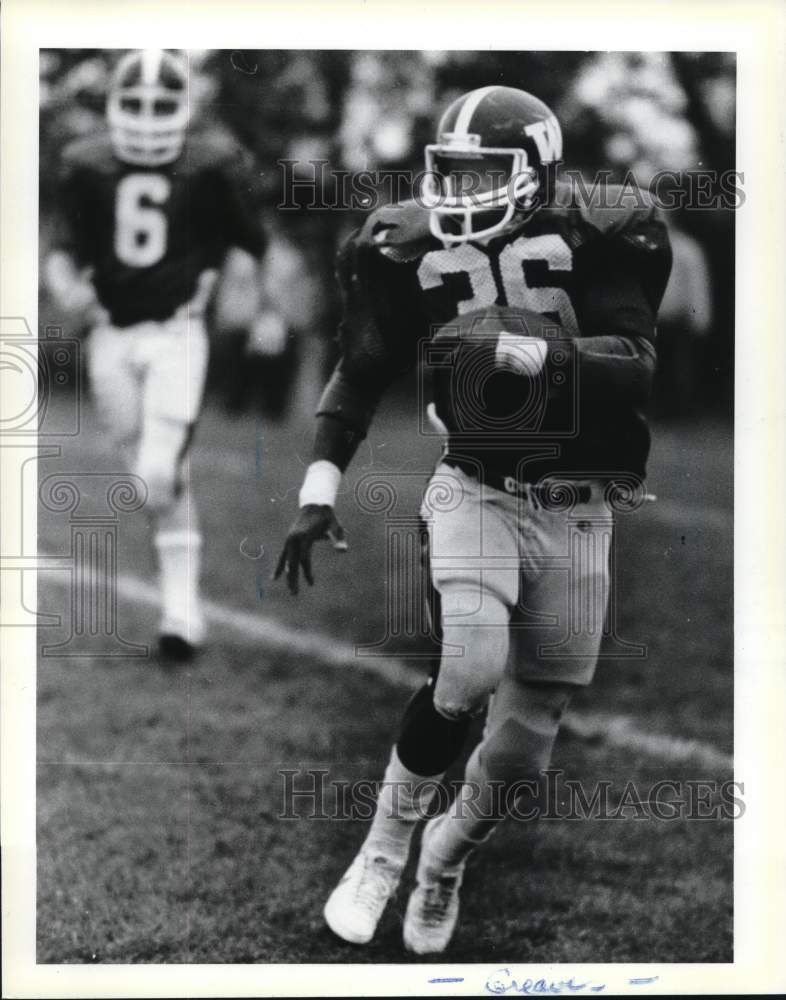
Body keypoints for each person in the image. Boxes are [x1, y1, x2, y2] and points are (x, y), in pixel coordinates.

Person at [276, 85, 672, 953]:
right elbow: (362, 369)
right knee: (468, 668)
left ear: (539, 170)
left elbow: (636, 363)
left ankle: (444, 859)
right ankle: (381, 852)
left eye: (485, 174)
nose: (462, 193)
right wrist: (316, 491)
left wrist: (538, 351)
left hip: (578, 502)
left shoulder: (608, 226)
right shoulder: (400, 242)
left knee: (524, 753)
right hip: (475, 485)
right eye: (452, 173)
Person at [45, 49, 269, 662]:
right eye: (137, 104)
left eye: (161, 105)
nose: (147, 117)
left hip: (177, 331)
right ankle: (180, 614)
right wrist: (65, 286)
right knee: (155, 480)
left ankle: (181, 612)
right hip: (111, 335)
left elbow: (248, 242)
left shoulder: (212, 163)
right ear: (116, 106)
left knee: (157, 474)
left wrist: (246, 295)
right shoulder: (85, 164)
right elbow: (63, 250)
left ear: (184, 108)